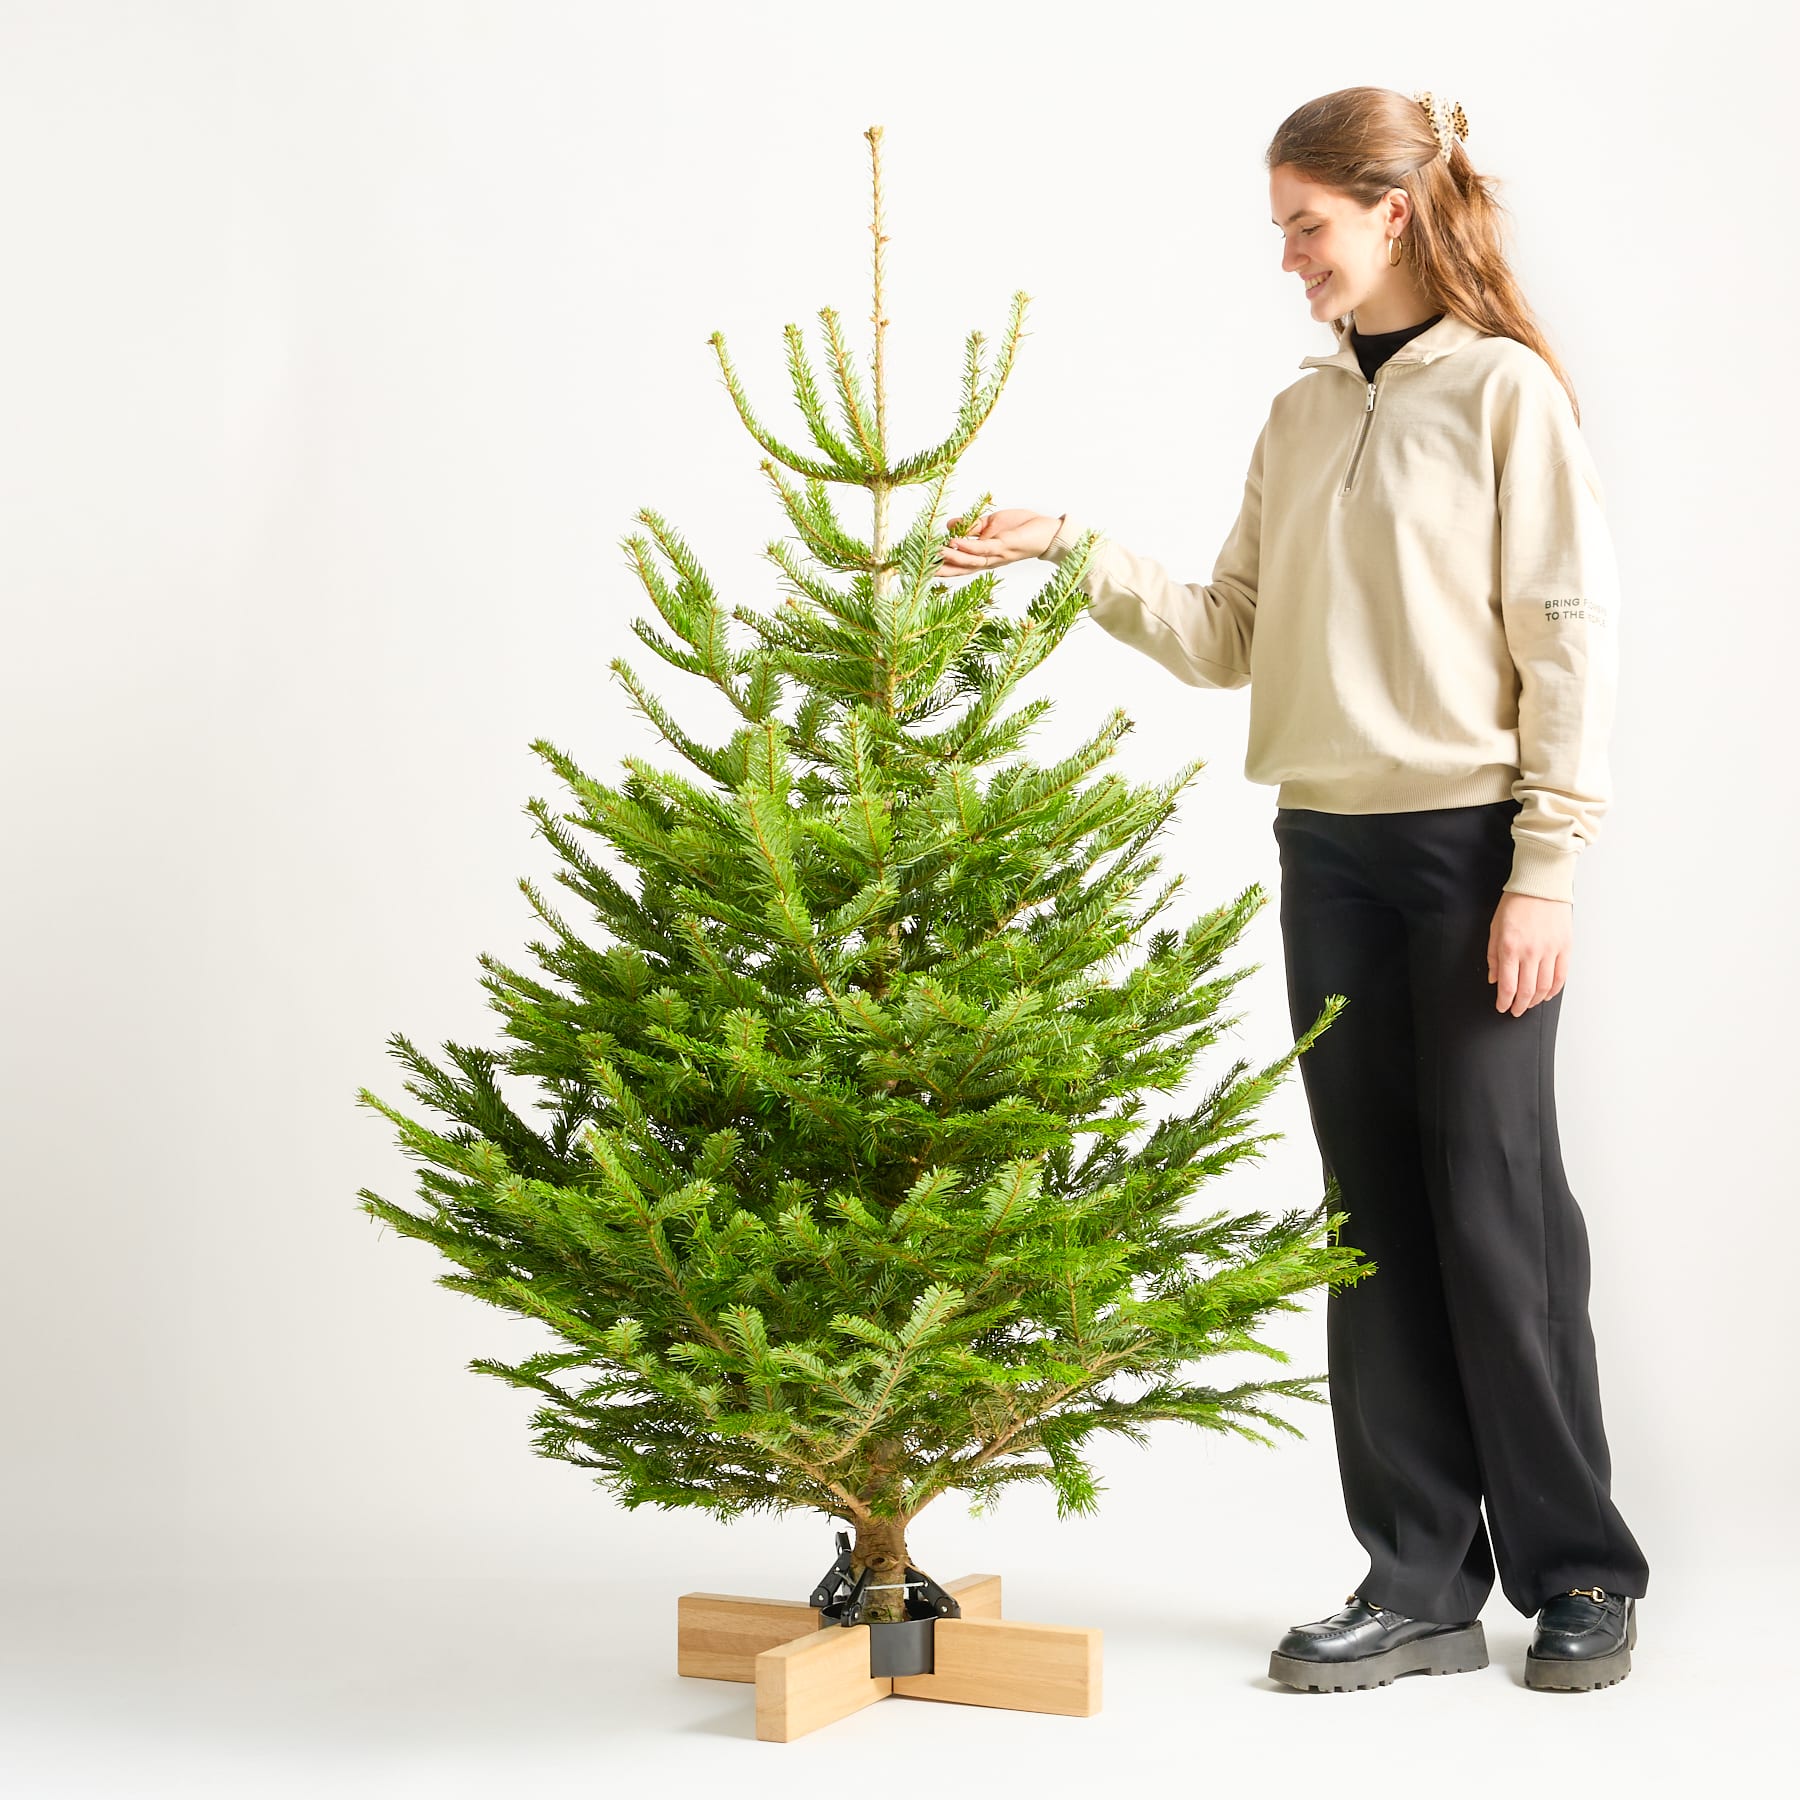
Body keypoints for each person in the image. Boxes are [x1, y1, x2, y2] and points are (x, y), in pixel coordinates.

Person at [934, 86, 1647, 1694]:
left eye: (1307, 227)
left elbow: (1568, 642)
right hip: (1326, 852)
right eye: (1280, 230)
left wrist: (1545, 870)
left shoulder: (1506, 394)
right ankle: (1419, 1580)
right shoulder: (1301, 413)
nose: (1289, 258)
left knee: (1496, 1203)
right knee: (1369, 1218)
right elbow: (1227, 637)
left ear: (1393, 212)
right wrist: (1072, 549)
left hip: (1472, 853)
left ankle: (1583, 1574)